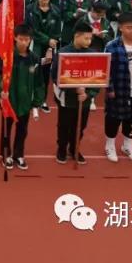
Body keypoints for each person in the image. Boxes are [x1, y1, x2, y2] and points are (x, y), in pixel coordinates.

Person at [103, 12, 132, 163]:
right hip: (119, 91)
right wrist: (110, 89)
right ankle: (110, 145)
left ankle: (127, 145)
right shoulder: (112, 46)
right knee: (113, 119)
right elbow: (106, 70)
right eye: (129, 27)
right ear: (121, 28)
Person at [52, 21, 100, 164]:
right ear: (76, 36)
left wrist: (89, 94)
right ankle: (61, 148)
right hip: (67, 99)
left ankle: (74, 149)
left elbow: (98, 79)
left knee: (80, 126)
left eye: (90, 38)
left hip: (84, 99)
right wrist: (74, 89)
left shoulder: (93, 55)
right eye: (86, 38)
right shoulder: (63, 53)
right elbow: (55, 77)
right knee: (64, 125)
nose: (89, 41)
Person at [0, 24, 45, 170]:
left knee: (22, 130)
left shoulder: (34, 59)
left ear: (30, 40)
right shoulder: (7, 56)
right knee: (6, 129)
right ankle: (6, 154)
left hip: (25, 101)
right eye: (21, 39)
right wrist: (1, 90)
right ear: (15, 38)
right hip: (9, 99)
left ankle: (18, 154)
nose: (24, 42)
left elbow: (39, 82)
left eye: (27, 39)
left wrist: (37, 101)